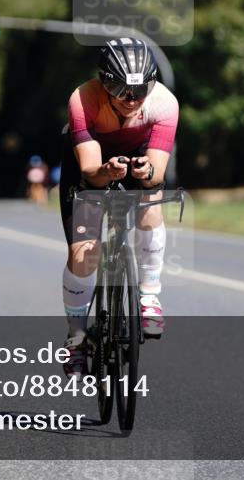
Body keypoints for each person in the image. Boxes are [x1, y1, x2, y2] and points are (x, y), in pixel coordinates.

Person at [59, 38, 178, 376]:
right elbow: (90, 171)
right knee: (84, 253)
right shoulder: (83, 99)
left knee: (150, 202)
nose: (131, 99)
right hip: (89, 165)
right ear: (103, 82)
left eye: (140, 90)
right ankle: (76, 337)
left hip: (138, 154)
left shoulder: (165, 104)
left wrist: (146, 173)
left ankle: (149, 295)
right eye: (120, 89)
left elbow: (156, 174)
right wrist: (106, 172)